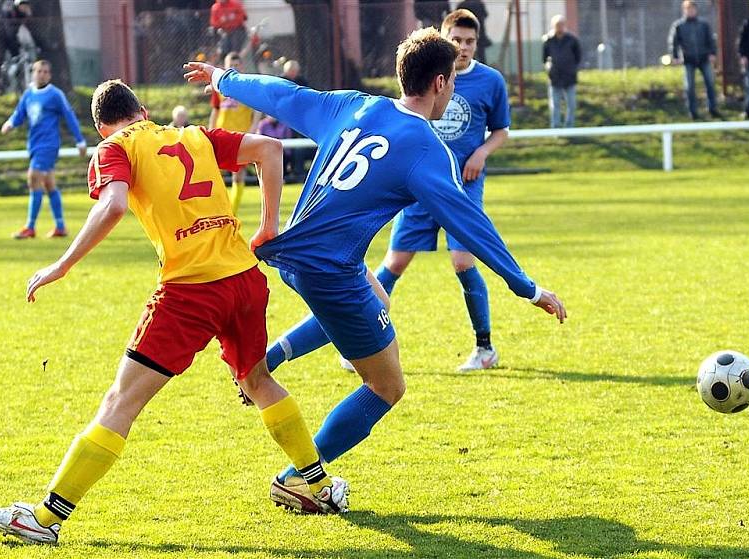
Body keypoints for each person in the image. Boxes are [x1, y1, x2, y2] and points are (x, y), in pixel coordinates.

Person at [184, 27, 566, 511]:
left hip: (295, 255)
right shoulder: (426, 149)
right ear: (443, 83)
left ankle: (272, 357)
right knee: (387, 385)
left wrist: (223, 77)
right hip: (329, 270)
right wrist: (527, 288)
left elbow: (285, 95)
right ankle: (299, 478)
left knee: (377, 298)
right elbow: (472, 225)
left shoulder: (355, 105)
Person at [0, 79, 349, 545]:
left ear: (101, 129)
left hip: (191, 293)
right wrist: (268, 226)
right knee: (258, 381)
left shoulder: (113, 148)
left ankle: (45, 519)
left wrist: (62, 264)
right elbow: (270, 150)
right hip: (245, 282)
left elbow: (112, 206)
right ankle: (318, 486)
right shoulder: (192, 134)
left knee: (120, 401)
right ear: (143, 110)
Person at [268, 8, 513, 372]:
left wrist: (480, 152)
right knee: (393, 264)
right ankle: (357, 338)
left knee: (463, 260)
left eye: (469, 41)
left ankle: (484, 346)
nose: (463, 47)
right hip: (412, 189)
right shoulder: (418, 87)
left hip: (461, 186)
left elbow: (501, 130)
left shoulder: (490, 82)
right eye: (456, 40)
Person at [2, 59, 87, 239]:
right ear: (32, 72)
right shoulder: (28, 94)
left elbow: (69, 116)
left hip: (48, 145)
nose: (42, 74)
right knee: (49, 184)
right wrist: (10, 123)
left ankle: (30, 227)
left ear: (49, 75)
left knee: (33, 178)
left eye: (46, 71)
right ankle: (60, 226)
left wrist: (80, 140)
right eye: (39, 71)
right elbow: (19, 114)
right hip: (34, 144)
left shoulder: (55, 94)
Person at [209, 51, 261, 214]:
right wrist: (210, 130)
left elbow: (257, 109)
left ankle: (232, 211)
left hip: (240, 135)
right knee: (214, 172)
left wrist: (253, 128)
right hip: (221, 134)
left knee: (238, 175)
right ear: (225, 66)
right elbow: (216, 110)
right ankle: (217, 209)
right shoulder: (218, 87)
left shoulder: (247, 86)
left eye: (237, 65)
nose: (233, 67)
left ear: (242, 67)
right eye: (231, 65)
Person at [668, 0, 721, 120]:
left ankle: (712, 109)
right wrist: (675, 56)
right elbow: (674, 42)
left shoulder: (703, 24)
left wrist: (712, 53)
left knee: (710, 84)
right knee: (690, 87)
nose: (690, 11)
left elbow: (711, 40)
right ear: (684, 10)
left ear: (696, 10)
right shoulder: (679, 25)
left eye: (692, 9)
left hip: (704, 58)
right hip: (689, 60)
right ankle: (693, 112)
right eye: (688, 9)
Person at [542, 14, 581, 129]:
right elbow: (544, 58)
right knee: (555, 105)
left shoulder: (572, 40)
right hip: (555, 77)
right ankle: (556, 127)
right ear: (553, 26)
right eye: (557, 25)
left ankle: (569, 127)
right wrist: (550, 69)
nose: (559, 27)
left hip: (569, 76)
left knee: (572, 105)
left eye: (561, 24)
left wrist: (572, 68)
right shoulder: (548, 40)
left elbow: (578, 56)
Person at [0, 0, 32, 98]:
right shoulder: (9, 12)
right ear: (17, 5)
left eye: (26, 6)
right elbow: (8, 30)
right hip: (0, 37)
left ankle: (19, 88)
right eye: (23, 5)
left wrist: (35, 43)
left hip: (12, 38)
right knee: (0, 59)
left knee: (18, 60)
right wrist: (16, 43)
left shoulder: (23, 15)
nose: (25, 7)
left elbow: (31, 28)